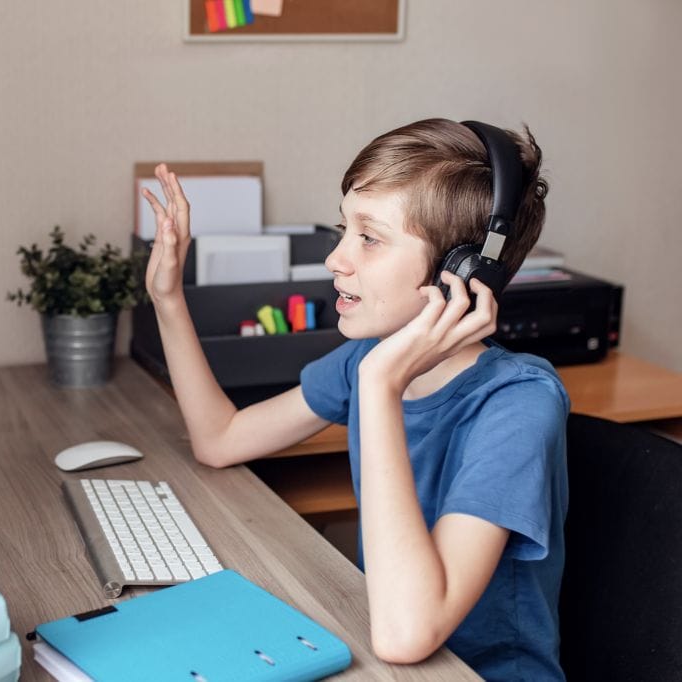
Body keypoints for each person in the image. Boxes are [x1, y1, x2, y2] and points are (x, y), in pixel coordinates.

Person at [141, 118, 568, 681]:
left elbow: (407, 634)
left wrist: (379, 387)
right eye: (345, 229)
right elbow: (220, 441)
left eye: (369, 237)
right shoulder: (370, 359)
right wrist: (167, 297)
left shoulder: (518, 405)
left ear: (462, 271)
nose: (335, 260)